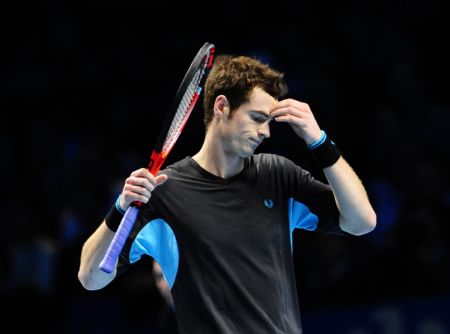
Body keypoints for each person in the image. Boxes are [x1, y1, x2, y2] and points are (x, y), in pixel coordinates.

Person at [78, 54, 376, 333]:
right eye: (258, 118)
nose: (266, 132)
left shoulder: (278, 175)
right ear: (221, 106)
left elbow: (362, 222)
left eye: (269, 122)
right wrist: (119, 208)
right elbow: (91, 278)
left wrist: (319, 141)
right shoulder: (164, 192)